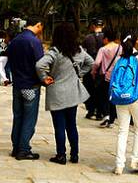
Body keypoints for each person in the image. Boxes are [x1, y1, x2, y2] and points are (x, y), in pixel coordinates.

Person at [36, 22, 94, 164]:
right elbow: (91, 62)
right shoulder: (79, 51)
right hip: (72, 93)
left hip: (57, 93)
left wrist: (44, 78)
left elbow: (39, 65)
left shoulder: (55, 52)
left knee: (59, 126)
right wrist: (80, 73)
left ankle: (61, 155)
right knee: (71, 125)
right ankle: (74, 154)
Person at [6, 16, 45, 160]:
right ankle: (24, 149)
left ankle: (16, 146)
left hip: (17, 84)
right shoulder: (34, 42)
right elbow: (40, 64)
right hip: (31, 85)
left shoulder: (15, 40)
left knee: (18, 116)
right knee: (29, 117)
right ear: (38, 24)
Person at [112, 33, 138, 175]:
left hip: (121, 99)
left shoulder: (120, 59)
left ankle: (119, 165)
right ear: (137, 42)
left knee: (122, 131)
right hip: (137, 98)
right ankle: (135, 162)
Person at [91, 27, 121, 128]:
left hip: (105, 77)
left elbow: (97, 63)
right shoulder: (120, 48)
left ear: (106, 38)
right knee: (113, 98)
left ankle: (106, 115)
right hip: (116, 77)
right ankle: (112, 120)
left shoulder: (103, 49)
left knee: (103, 97)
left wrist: (93, 71)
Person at [82, 18, 105, 119]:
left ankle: (91, 110)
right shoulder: (106, 38)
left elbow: (83, 53)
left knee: (89, 89)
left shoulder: (87, 38)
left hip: (90, 67)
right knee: (101, 91)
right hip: (103, 69)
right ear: (103, 26)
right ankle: (100, 112)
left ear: (93, 26)